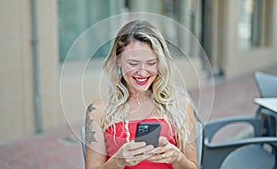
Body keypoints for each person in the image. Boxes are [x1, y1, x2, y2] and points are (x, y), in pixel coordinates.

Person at [85, 20, 198, 169]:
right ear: (118, 60)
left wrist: (178, 158)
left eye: (151, 63)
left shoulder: (182, 106)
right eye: (133, 63)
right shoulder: (97, 112)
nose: (143, 72)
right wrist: (118, 161)